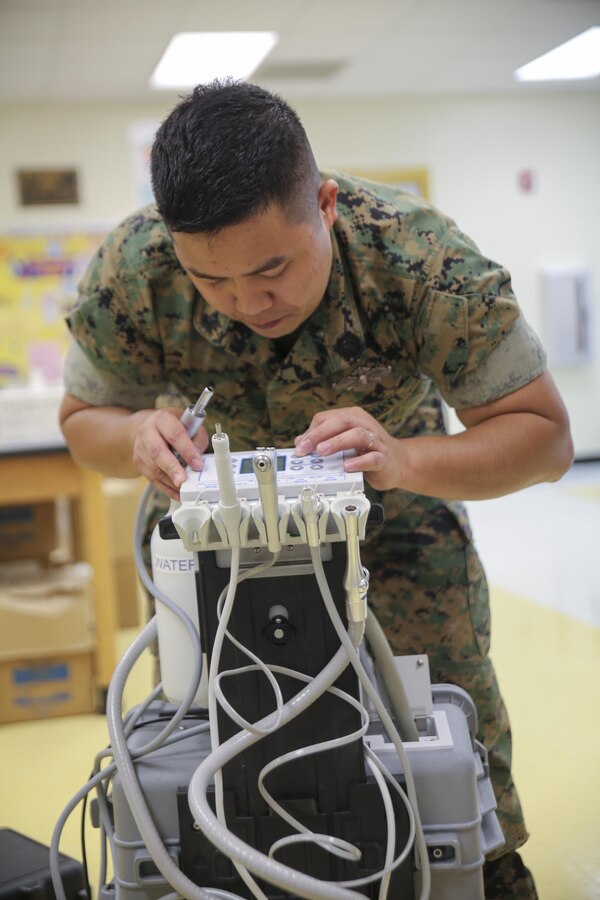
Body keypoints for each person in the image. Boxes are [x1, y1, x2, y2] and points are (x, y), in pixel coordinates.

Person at [59, 79, 573, 898]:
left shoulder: (419, 261)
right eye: (212, 281)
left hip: (392, 536)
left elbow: (547, 438)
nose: (247, 302)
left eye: (272, 268)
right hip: (208, 556)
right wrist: (131, 437)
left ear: (326, 204)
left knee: (431, 747)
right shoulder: (137, 266)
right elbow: (83, 419)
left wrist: (404, 459)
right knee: (213, 757)